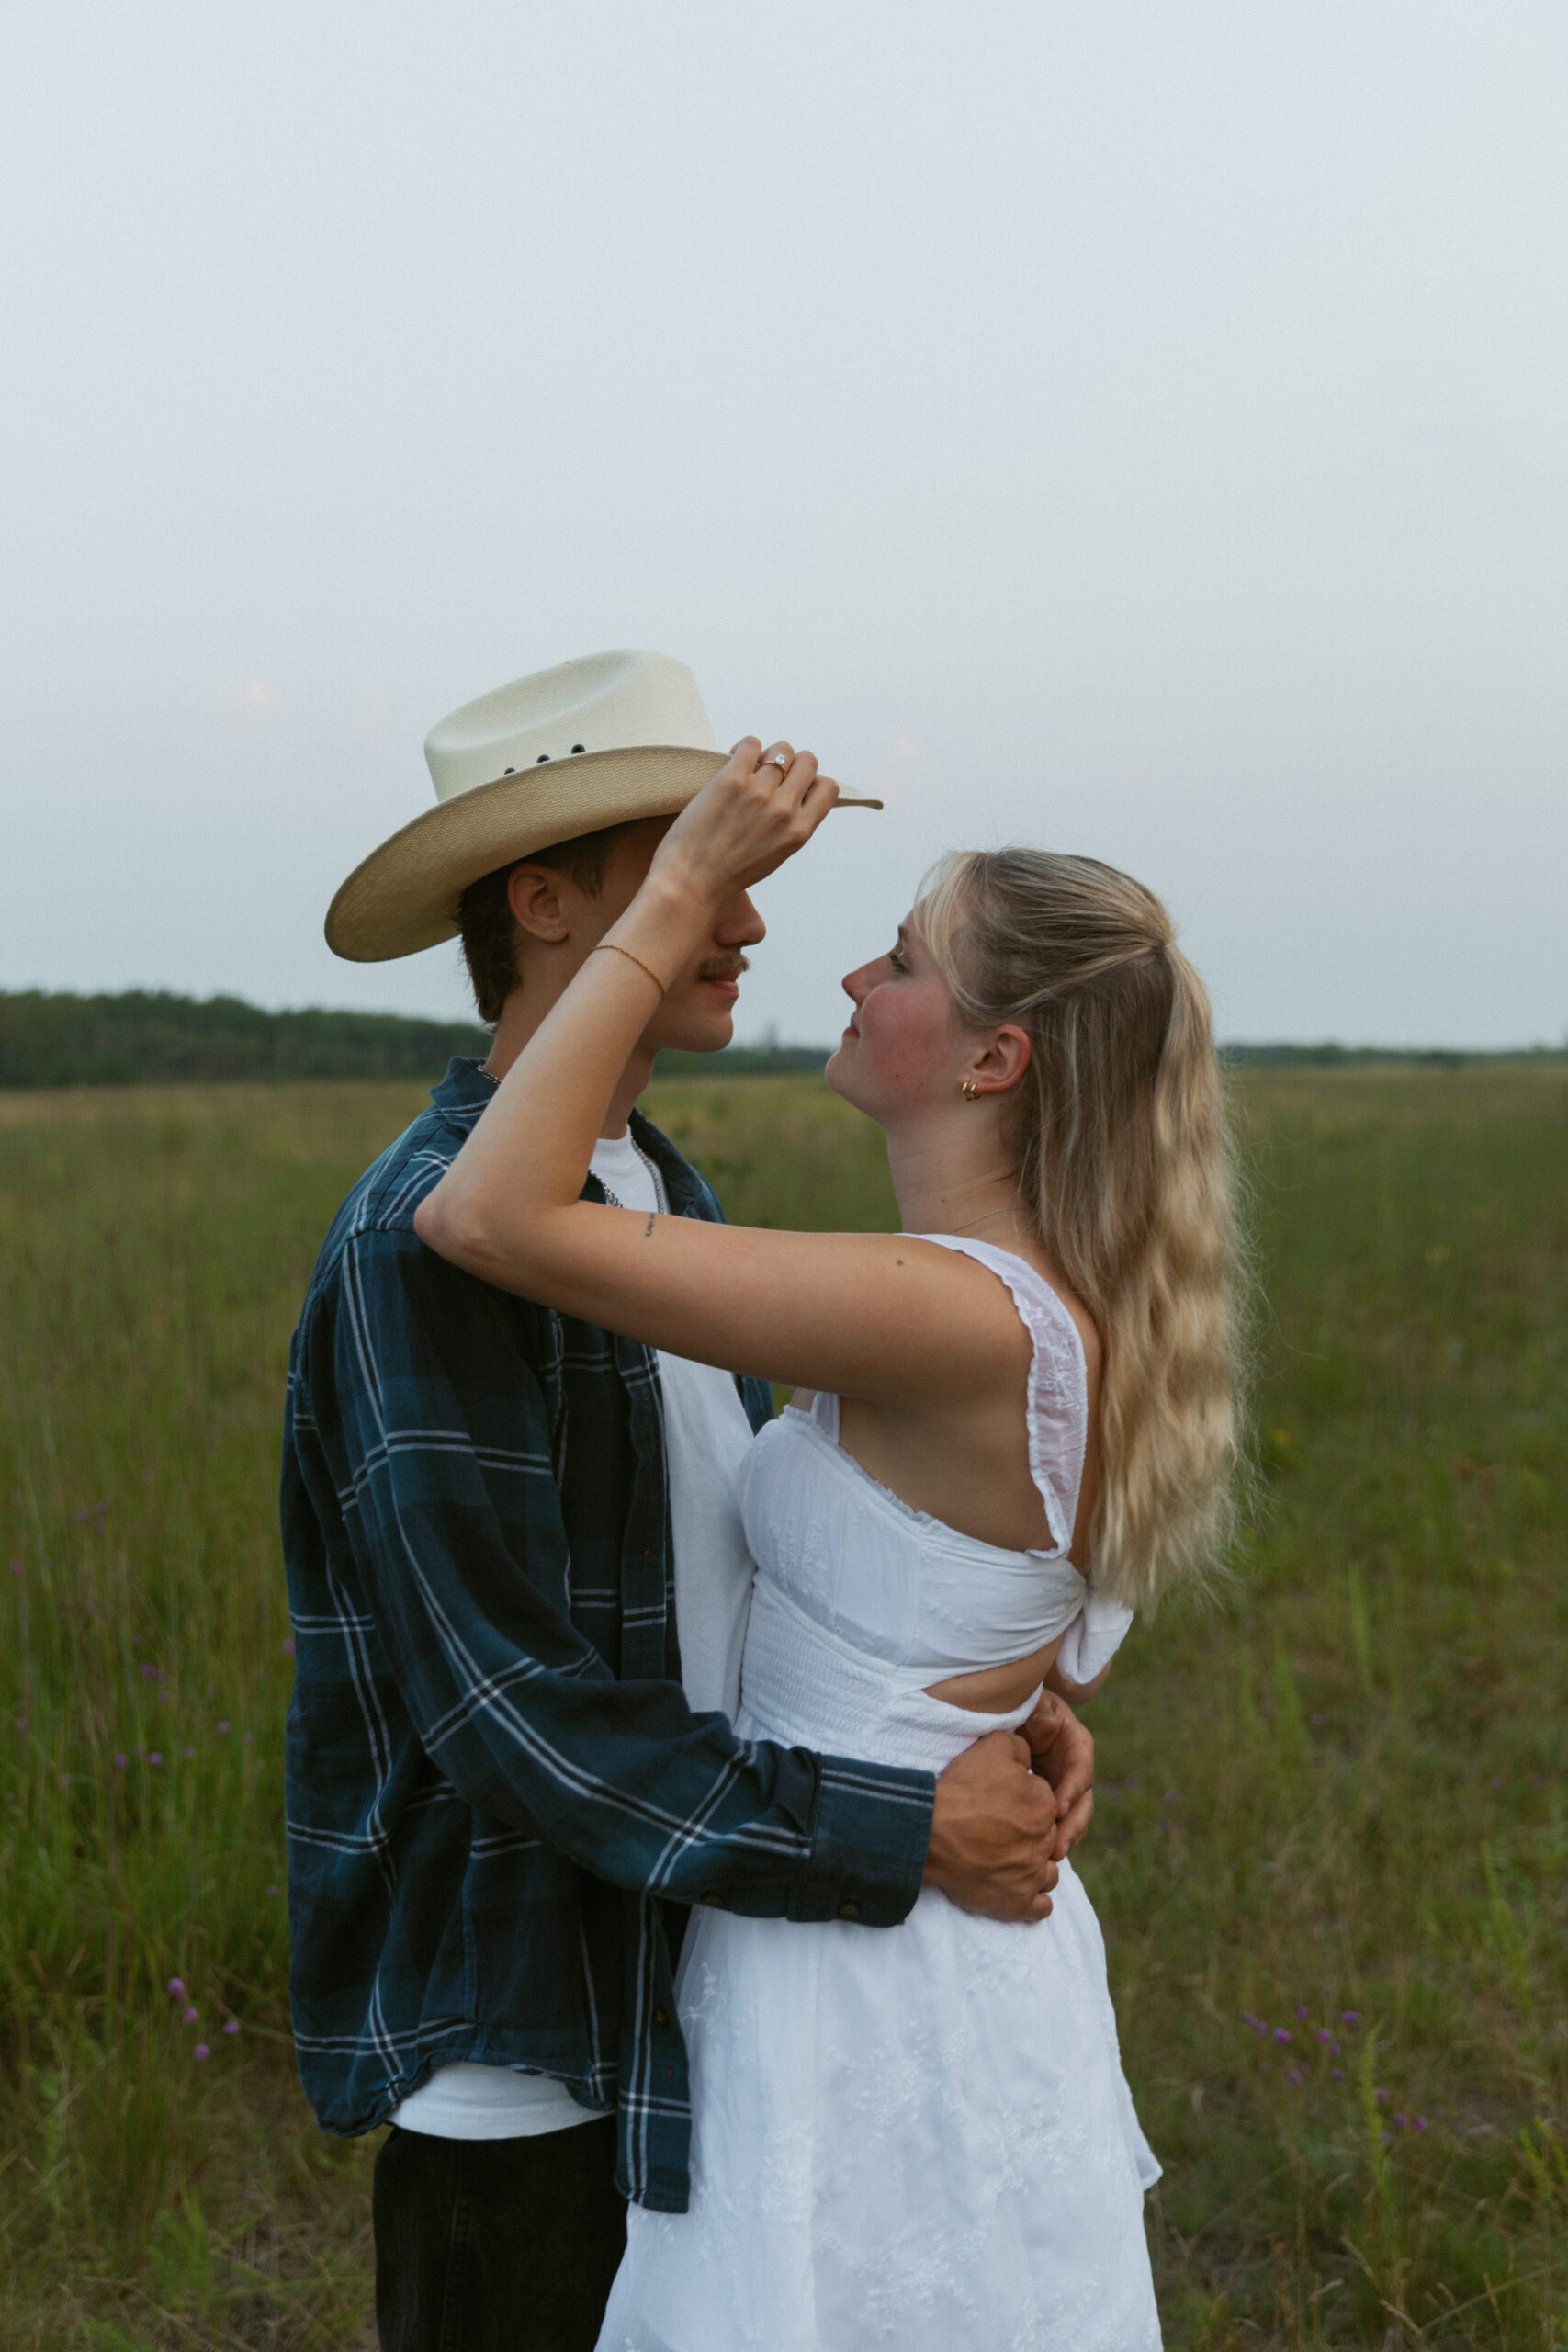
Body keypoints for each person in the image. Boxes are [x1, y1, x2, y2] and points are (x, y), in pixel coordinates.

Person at [282, 651, 1096, 2352]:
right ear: (551, 900)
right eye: (698, 867)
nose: (743, 921)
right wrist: (898, 1826)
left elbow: (724, 1568)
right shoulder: (421, 1244)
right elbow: (515, 1714)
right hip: (530, 2062)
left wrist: (991, 1701)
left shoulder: (650, 1187)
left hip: (702, 1987)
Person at [414, 730, 1247, 2352]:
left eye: (908, 959)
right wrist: (1010, 1705)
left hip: (856, 1971)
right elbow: (953, 1606)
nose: (854, 974)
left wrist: (672, 895)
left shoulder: (949, 1312)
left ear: (993, 1059)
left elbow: (487, 1213)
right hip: (912, 1926)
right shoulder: (1025, 1310)